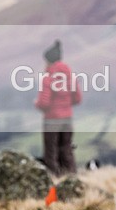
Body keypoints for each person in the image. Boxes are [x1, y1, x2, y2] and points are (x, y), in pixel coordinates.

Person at [34, 40, 82, 176]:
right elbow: (77, 98)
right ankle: (71, 177)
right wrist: (65, 105)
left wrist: (36, 103)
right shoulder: (70, 77)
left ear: (49, 61)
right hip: (67, 119)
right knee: (66, 149)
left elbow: (44, 103)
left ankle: (54, 179)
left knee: (51, 152)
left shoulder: (48, 77)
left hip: (51, 120)